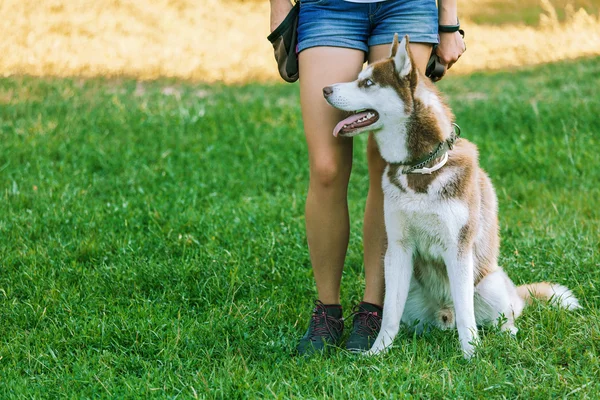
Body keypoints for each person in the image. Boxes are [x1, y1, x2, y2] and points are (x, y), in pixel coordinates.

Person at [269, 0, 466, 355]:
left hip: (406, 6)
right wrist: (280, 8)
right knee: (326, 168)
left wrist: (448, 22)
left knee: (387, 162)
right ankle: (327, 311)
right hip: (328, 9)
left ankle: (373, 309)